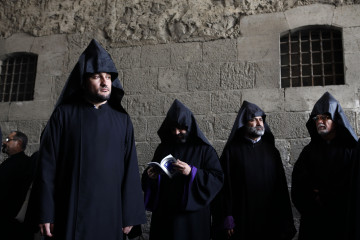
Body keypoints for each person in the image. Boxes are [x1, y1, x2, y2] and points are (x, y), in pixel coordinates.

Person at [35, 39, 146, 240]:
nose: (105, 82)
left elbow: (130, 167)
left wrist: (130, 214)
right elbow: (47, 166)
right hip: (70, 211)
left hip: (111, 214)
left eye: (108, 77)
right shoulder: (63, 115)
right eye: (97, 76)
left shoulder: (122, 120)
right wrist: (46, 211)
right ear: (84, 81)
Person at [142, 99, 223, 240]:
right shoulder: (163, 148)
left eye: (181, 128)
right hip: (165, 215)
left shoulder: (205, 150)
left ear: (189, 126)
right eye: (173, 128)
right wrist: (151, 175)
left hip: (192, 219)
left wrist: (192, 172)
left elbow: (217, 178)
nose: (176, 132)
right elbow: (150, 176)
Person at [216, 101, 296, 240]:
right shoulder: (232, 152)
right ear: (244, 124)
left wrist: (284, 219)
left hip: (269, 218)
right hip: (242, 218)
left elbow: (281, 187)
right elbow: (224, 187)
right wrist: (227, 215)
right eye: (253, 120)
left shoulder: (272, 152)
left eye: (260, 119)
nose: (259, 123)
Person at [291, 92, 358, 240]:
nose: (320, 121)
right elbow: (298, 185)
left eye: (325, 117)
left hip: (344, 221)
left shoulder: (352, 151)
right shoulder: (308, 152)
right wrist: (315, 198)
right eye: (317, 118)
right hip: (315, 221)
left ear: (336, 120)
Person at [0, 131, 37, 240]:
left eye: (8, 140)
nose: (4, 142)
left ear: (19, 143)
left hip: (11, 223)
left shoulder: (22, 164)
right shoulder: (14, 163)